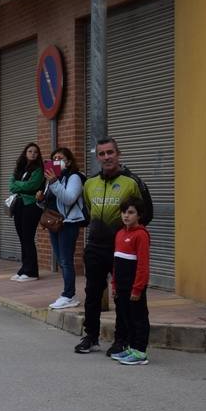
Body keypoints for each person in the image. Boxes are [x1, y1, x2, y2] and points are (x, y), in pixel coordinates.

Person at [74, 137, 152, 355]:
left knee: (122, 295)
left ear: (118, 154)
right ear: (97, 157)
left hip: (122, 250)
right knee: (92, 293)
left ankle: (121, 339)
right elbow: (88, 211)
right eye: (102, 154)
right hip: (95, 247)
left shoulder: (132, 182)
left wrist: (129, 237)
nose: (106, 157)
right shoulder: (90, 184)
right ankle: (91, 336)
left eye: (110, 152)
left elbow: (146, 213)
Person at [40, 146, 85, 309]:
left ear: (69, 161)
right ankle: (67, 292)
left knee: (66, 260)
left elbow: (68, 199)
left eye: (60, 158)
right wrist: (40, 199)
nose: (56, 161)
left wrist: (53, 182)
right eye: (54, 158)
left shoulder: (74, 177)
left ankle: (69, 295)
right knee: (60, 260)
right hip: (54, 224)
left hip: (68, 224)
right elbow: (48, 202)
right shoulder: (52, 177)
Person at [110, 199, 152, 365]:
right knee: (126, 317)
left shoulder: (141, 235)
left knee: (139, 318)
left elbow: (143, 265)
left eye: (131, 212)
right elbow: (116, 262)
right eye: (124, 212)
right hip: (121, 286)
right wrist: (114, 284)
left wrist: (137, 288)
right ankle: (131, 347)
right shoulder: (120, 234)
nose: (126, 216)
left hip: (134, 286)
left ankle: (140, 352)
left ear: (139, 215)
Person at [8, 142, 45, 282]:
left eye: (35, 152)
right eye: (30, 151)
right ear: (25, 153)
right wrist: (20, 186)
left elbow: (32, 185)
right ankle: (24, 268)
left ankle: (32, 272)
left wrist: (19, 185)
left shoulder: (38, 170)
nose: (33, 154)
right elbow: (11, 185)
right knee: (22, 238)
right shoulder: (20, 168)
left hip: (31, 206)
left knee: (28, 238)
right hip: (19, 205)